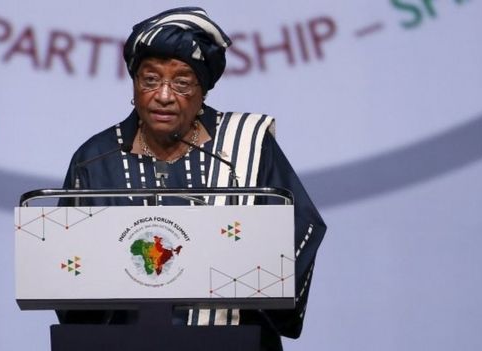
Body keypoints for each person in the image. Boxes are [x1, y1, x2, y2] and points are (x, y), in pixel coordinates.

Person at [58, 7, 326, 351]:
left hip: (230, 341)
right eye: (150, 79)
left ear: (203, 91)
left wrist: (239, 272)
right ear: (134, 85)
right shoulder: (95, 159)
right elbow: (67, 268)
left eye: (182, 82)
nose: (164, 95)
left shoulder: (246, 147)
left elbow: (298, 230)